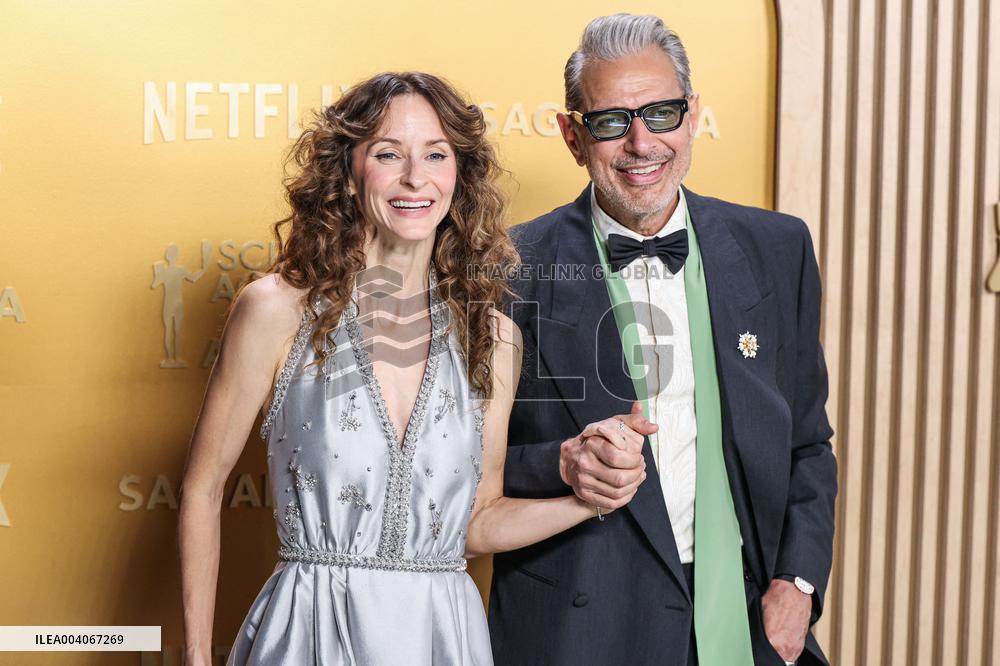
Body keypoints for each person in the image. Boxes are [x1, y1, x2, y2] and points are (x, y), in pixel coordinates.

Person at [177, 71, 645, 666]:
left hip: (442, 638)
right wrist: (195, 658)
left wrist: (591, 496)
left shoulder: (493, 336)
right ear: (348, 174)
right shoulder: (276, 309)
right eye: (388, 153)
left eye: (436, 154)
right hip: (310, 632)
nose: (415, 178)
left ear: (459, 176)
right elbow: (201, 488)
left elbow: (476, 524)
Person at [489, 14, 837, 666]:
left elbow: (808, 443)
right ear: (572, 135)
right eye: (613, 122)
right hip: (579, 632)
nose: (642, 143)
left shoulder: (778, 248)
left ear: (694, 113)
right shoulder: (507, 267)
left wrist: (799, 583)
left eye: (663, 113)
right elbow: (458, 481)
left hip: (748, 625)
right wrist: (564, 464)